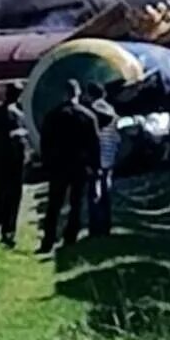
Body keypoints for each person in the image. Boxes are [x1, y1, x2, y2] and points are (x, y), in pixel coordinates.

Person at [37, 80, 99, 254]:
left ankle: (48, 241)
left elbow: (45, 143)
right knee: (76, 203)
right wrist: (95, 166)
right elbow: (94, 144)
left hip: (58, 165)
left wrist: (46, 163)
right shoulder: (88, 116)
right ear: (78, 94)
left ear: (64, 94)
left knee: (54, 204)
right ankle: (70, 238)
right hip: (79, 165)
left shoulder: (53, 115)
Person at [0, 85, 27, 249]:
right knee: (13, 198)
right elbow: (23, 142)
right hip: (15, 163)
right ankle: (8, 233)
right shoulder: (20, 115)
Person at [85, 82, 119, 237]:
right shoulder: (110, 108)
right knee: (106, 192)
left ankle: (95, 228)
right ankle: (106, 226)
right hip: (109, 156)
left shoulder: (93, 110)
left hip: (97, 156)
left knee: (94, 193)